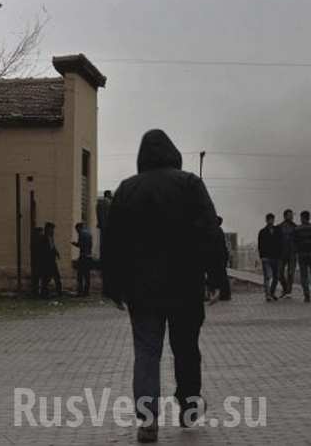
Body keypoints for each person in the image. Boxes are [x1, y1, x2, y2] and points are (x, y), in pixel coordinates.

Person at [102, 129, 225, 443]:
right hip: (185, 286)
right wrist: (216, 279)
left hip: (142, 290)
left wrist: (113, 287)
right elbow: (210, 231)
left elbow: (112, 242)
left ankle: (148, 420)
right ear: (173, 154)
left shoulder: (127, 189)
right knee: (186, 349)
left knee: (146, 353)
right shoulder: (189, 184)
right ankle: (188, 406)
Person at [293, 210, 311, 302]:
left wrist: (297, 252)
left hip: (302, 255)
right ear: (309, 218)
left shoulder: (297, 229)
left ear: (302, 218)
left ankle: (307, 295)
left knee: (304, 276)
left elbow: (295, 243)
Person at [257, 213, 285, 301]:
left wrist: (281, 256)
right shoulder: (262, 232)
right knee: (267, 277)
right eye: (269, 219)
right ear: (266, 220)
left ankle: (271, 293)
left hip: (276, 257)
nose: (270, 221)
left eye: (272, 219)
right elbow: (260, 245)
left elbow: (281, 243)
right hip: (266, 257)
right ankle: (268, 295)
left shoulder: (278, 230)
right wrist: (262, 256)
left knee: (276, 277)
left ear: (273, 220)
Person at [40, 222, 62, 298]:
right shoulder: (43, 238)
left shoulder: (51, 237)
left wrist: (57, 253)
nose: (52, 231)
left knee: (56, 277)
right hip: (47, 261)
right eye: (51, 229)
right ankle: (44, 293)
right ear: (47, 229)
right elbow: (44, 250)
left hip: (52, 261)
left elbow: (52, 247)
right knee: (46, 278)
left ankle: (59, 292)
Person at [278, 209, 297, 297]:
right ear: (285, 216)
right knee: (279, 273)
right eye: (290, 215)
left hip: (292, 253)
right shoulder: (279, 227)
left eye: (292, 215)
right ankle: (285, 288)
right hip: (281, 253)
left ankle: (288, 291)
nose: (292, 217)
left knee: (290, 273)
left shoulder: (296, 227)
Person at [72, 222, 93, 297]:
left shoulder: (81, 234)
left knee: (80, 275)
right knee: (87, 275)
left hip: (83, 256)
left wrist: (75, 244)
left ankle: (80, 291)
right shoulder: (89, 233)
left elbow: (81, 245)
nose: (76, 231)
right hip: (89, 256)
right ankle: (86, 292)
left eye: (76, 229)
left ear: (79, 228)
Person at [214, 217, 232, 301]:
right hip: (222, 257)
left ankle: (223, 295)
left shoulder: (216, 231)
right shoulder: (220, 231)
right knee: (223, 277)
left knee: (220, 277)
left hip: (218, 258)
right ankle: (225, 295)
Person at [96, 190, 113, 259]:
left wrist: (99, 223)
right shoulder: (110, 203)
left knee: (102, 241)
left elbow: (97, 214)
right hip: (108, 225)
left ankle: (102, 256)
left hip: (102, 225)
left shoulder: (99, 203)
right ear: (108, 195)